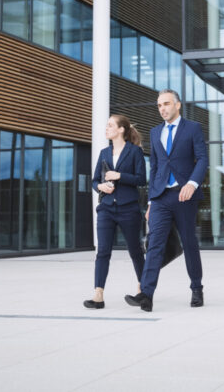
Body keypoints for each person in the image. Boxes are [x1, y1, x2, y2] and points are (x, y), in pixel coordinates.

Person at [125, 89, 207, 312]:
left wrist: (192, 183)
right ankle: (147, 295)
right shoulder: (154, 132)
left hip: (184, 194)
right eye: (159, 105)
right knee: (154, 245)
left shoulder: (193, 128)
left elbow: (202, 159)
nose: (162, 108)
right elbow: (156, 167)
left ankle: (196, 288)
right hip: (161, 196)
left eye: (166, 104)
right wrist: (151, 201)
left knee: (189, 243)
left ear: (177, 105)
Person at [84, 115, 146, 309]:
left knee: (135, 250)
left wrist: (120, 176)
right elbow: (94, 180)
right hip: (107, 209)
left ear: (121, 129)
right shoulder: (103, 153)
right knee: (102, 251)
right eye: (106, 125)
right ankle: (98, 295)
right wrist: (101, 186)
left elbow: (141, 179)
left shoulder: (135, 152)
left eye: (110, 125)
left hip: (129, 208)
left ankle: (144, 289)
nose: (106, 128)